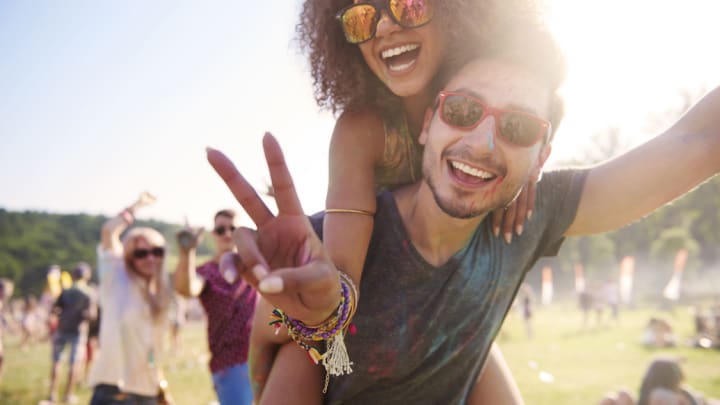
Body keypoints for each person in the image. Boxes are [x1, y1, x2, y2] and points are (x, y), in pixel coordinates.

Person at [207, 10, 720, 400]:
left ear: (542, 157)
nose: (484, 143)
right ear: (428, 120)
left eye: (518, 129)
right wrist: (318, 314)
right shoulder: (326, 242)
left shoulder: (531, 217)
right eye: (463, 110)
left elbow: (696, 141)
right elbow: (305, 314)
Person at [251, 0, 542, 402]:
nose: (384, 27)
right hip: (346, 326)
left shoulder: (505, 125)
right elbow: (341, 286)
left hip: (448, 319)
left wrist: (521, 171)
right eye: (361, 17)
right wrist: (303, 310)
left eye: (409, 4)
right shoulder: (361, 130)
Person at [88, 192, 174, 405]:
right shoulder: (116, 276)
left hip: (148, 391)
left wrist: (161, 387)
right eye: (140, 253)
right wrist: (134, 208)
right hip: (114, 391)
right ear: (129, 256)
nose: (150, 258)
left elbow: (151, 349)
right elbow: (108, 231)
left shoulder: (158, 293)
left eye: (156, 251)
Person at [173, 209, 256, 405]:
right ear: (213, 235)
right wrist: (187, 252)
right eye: (221, 230)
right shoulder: (208, 271)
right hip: (230, 362)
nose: (227, 234)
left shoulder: (254, 265)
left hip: (263, 356)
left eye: (233, 229)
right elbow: (187, 288)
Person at [48, 262, 94, 404]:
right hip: (78, 331)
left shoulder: (65, 290)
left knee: (57, 362)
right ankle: (68, 395)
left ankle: (52, 395)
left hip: (62, 328)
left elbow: (55, 309)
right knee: (74, 363)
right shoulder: (88, 292)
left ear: (74, 275)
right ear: (86, 276)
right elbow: (91, 315)